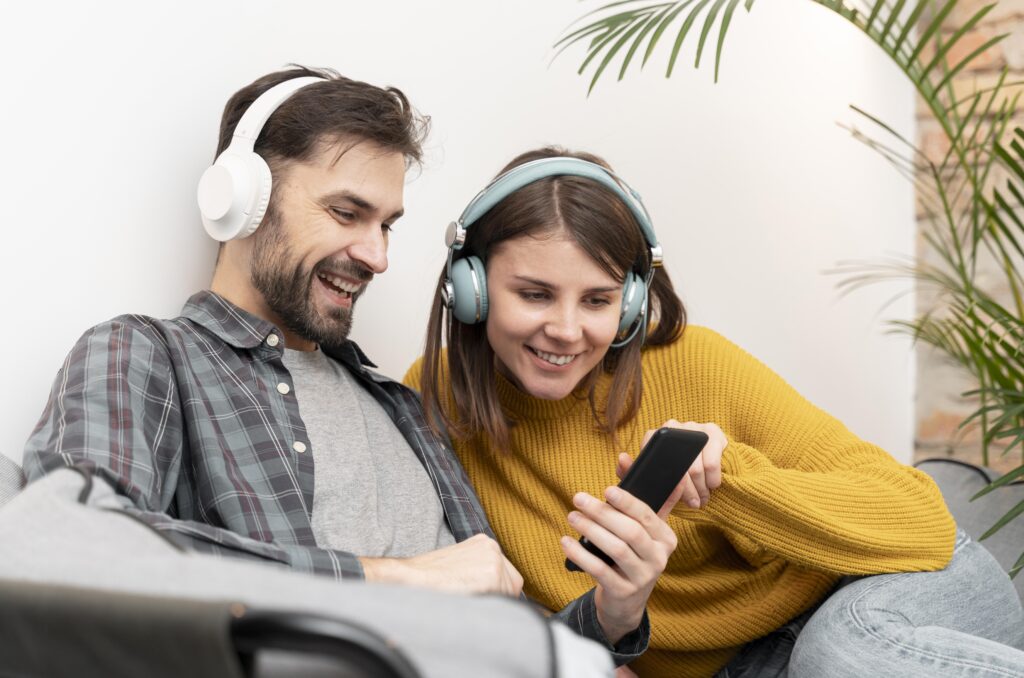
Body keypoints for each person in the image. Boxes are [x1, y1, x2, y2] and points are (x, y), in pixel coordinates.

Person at [21, 68, 651, 665]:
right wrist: (394, 580)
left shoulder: (399, 403)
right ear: (241, 201)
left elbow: (496, 637)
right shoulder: (147, 355)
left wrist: (613, 614)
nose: (376, 256)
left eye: (387, 226)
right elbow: (68, 546)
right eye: (347, 214)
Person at [405, 146, 1024, 677]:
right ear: (471, 290)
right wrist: (618, 610)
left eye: (597, 300)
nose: (567, 330)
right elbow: (520, 629)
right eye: (535, 294)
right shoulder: (437, 401)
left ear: (629, 304)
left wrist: (733, 481)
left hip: (890, 589)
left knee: (840, 654)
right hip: (752, 667)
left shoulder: (697, 361)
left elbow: (922, 522)